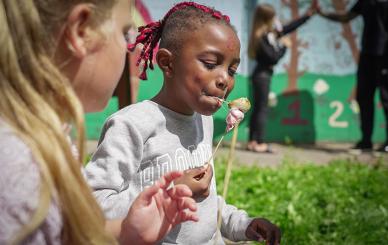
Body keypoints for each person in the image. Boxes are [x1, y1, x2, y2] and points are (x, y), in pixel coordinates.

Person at [0, 0, 199, 244]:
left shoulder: (49, 138)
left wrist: (124, 231)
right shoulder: (19, 169)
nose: (129, 48)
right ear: (82, 31)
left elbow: (65, 231)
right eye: (125, 33)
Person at [85, 2, 281, 245]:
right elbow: (92, 206)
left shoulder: (204, 121)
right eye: (210, 64)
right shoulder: (131, 125)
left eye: (232, 70)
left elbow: (206, 204)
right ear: (168, 63)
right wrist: (168, 195)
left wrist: (243, 224)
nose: (224, 80)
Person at [317, 0, 388, 153]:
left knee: (386, 99)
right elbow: (346, 17)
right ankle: (365, 141)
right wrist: (322, 13)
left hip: (385, 55)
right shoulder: (365, 2)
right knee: (363, 97)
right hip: (367, 54)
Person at [247, 2, 317, 153]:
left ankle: (253, 141)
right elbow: (273, 58)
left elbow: (288, 28)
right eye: (273, 17)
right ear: (266, 19)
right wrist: (285, 46)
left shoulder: (269, 34)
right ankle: (258, 142)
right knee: (262, 109)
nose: (276, 20)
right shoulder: (261, 37)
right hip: (262, 76)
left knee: (259, 108)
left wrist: (307, 16)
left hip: (263, 75)